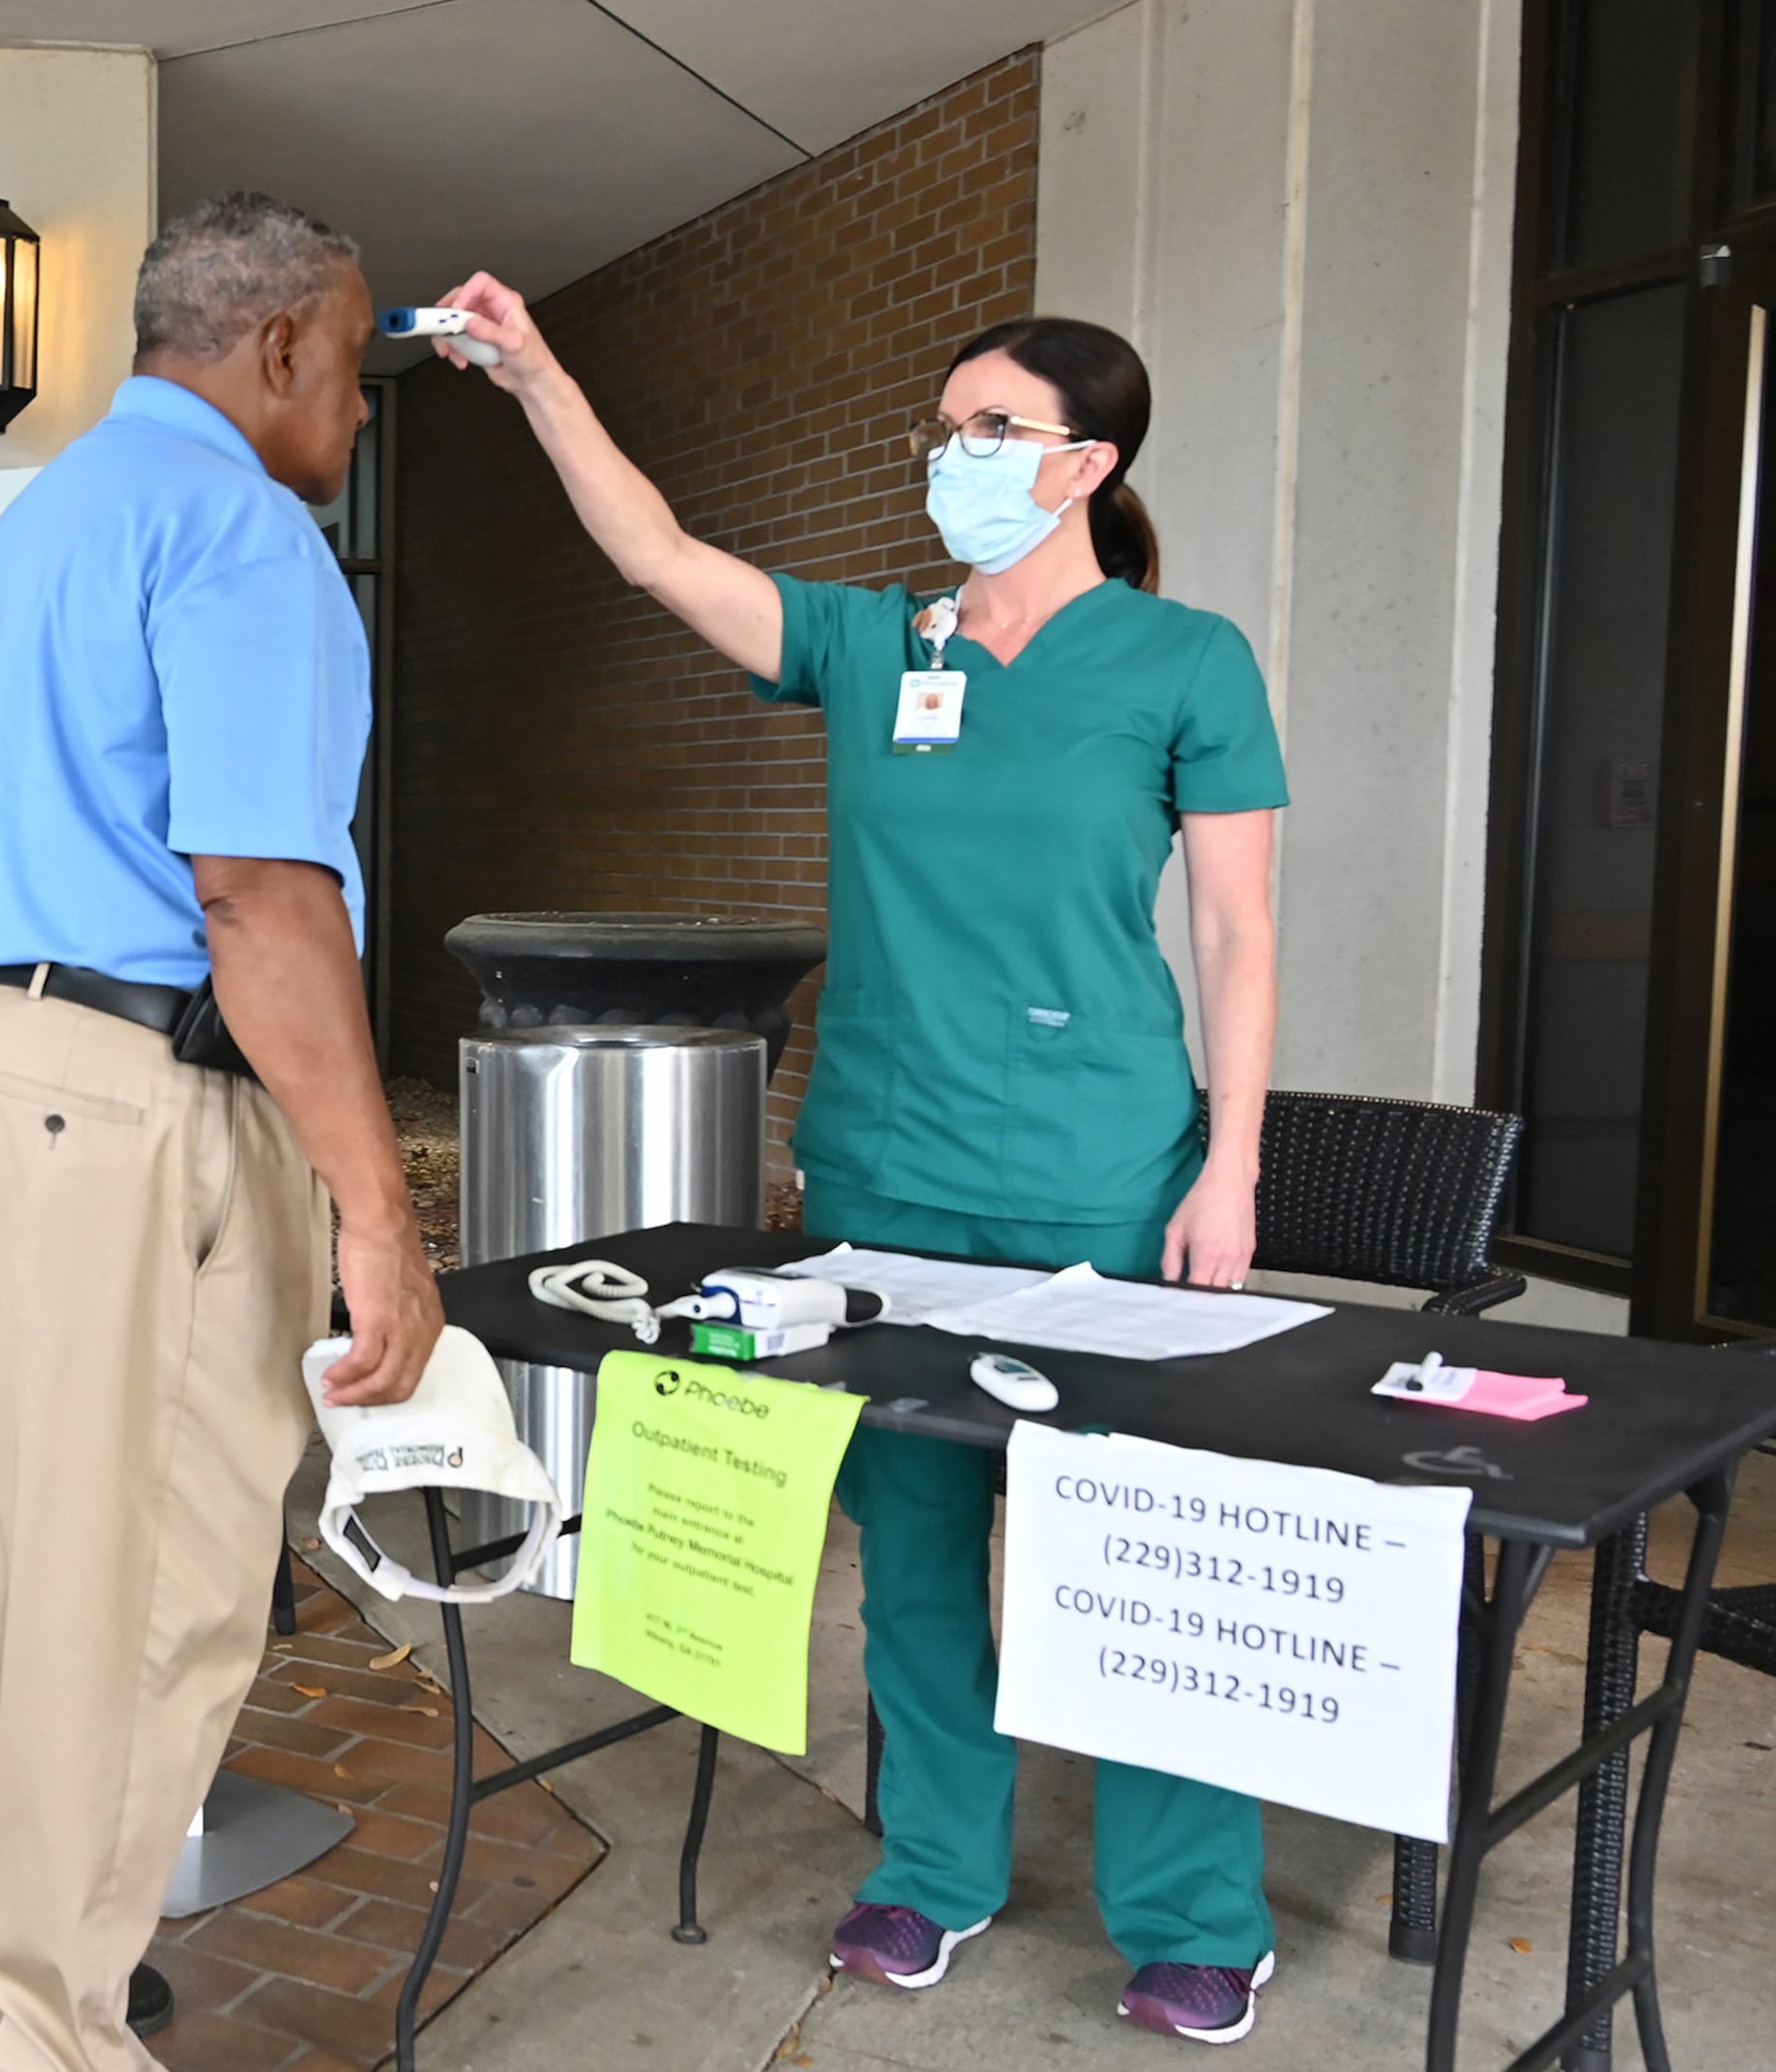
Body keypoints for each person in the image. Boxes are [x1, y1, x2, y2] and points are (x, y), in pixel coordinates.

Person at [424, 281, 1286, 2046]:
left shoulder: (1189, 661)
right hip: (889, 1169)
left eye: (991, 430)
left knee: (1126, 1549)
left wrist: (1234, 1170)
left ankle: (1198, 1912)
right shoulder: (881, 647)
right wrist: (539, 378)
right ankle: (934, 1871)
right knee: (908, 1543)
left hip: (1105, 1175)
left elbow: (1239, 933)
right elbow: (661, 554)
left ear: (1084, 465)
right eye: (945, 423)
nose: (949, 455)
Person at [0, 192, 442, 2072]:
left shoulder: (29, 536)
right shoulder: (243, 534)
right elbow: (262, 895)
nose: (355, 419)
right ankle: (54, 2028)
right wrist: (379, 1210)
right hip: (116, 1095)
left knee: (5, 1561)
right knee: (151, 1602)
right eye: (352, 374)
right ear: (275, 349)